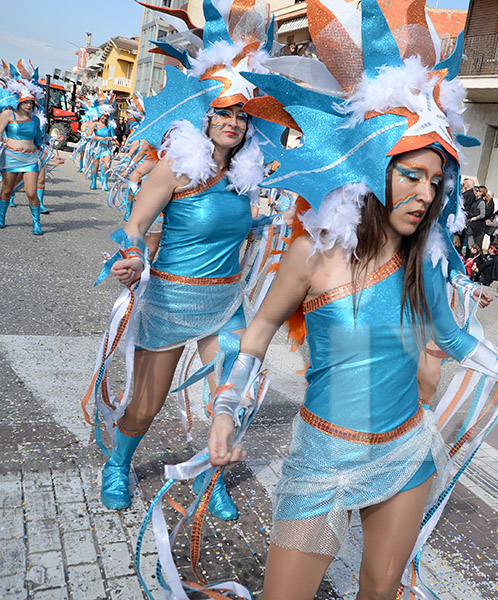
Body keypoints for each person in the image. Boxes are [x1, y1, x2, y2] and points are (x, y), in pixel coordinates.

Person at [206, 2, 498, 596]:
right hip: (322, 455)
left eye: (435, 181)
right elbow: (260, 331)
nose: (425, 193)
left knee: (381, 587)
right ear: (374, 167)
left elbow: (451, 338)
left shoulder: (423, 264)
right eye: (411, 175)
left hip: (404, 453)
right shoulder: (312, 255)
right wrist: (225, 406)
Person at [83, 1, 292, 527]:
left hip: (226, 304)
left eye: (241, 115)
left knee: (231, 398)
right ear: (205, 114)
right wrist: (133, 259)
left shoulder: (246, 179)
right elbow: (134, 226)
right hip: (172, 299)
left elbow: (250, 238)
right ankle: (118, 462)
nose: (231, 122)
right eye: (223, 112)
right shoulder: (176, 169)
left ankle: (211, 475)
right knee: (146, 405)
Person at [0, 75, 46, 235]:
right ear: (18, 100)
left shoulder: (34, 120)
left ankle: (37, 223)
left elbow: (39, 141)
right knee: (6, 190)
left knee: (31, 192)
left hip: (30, 159)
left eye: (31, 102)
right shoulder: (8, 114)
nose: (28, 105)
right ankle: (1, 217)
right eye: (26, 101)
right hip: (10, 158)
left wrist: (52, 156)